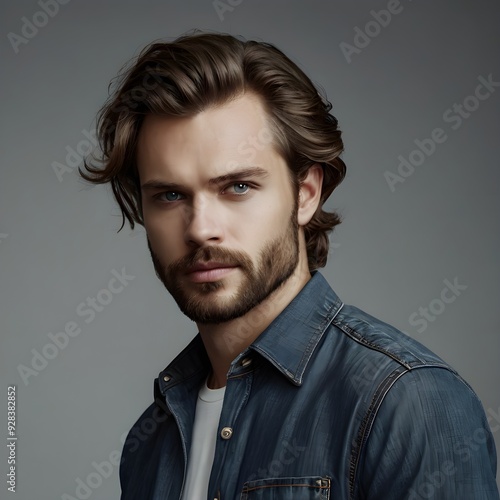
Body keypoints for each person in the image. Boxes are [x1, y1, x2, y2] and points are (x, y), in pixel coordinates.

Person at [81, 32, 499, 499]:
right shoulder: (152, 440)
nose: (200, 228)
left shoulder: (408, 403)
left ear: (305, 194)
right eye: (170, 195)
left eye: (237, 187)